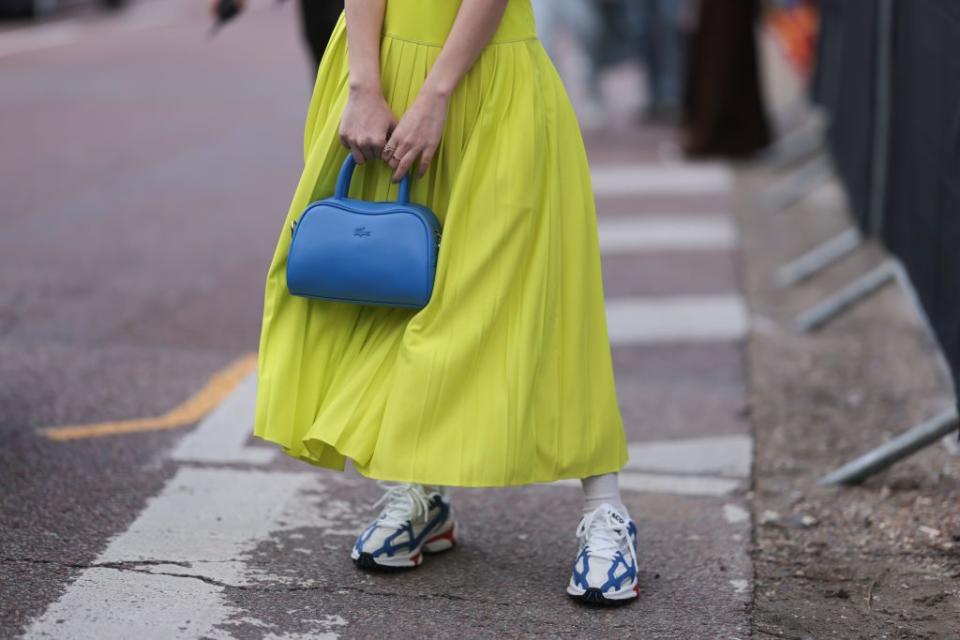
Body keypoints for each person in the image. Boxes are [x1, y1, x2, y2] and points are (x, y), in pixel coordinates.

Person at [254, 0, 635, 604]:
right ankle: (420, 492)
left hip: (489, 77)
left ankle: (606, 510)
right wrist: (363, 81)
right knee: (384, 285)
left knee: (537, 293)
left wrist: (436, 94)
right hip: (379, 67)